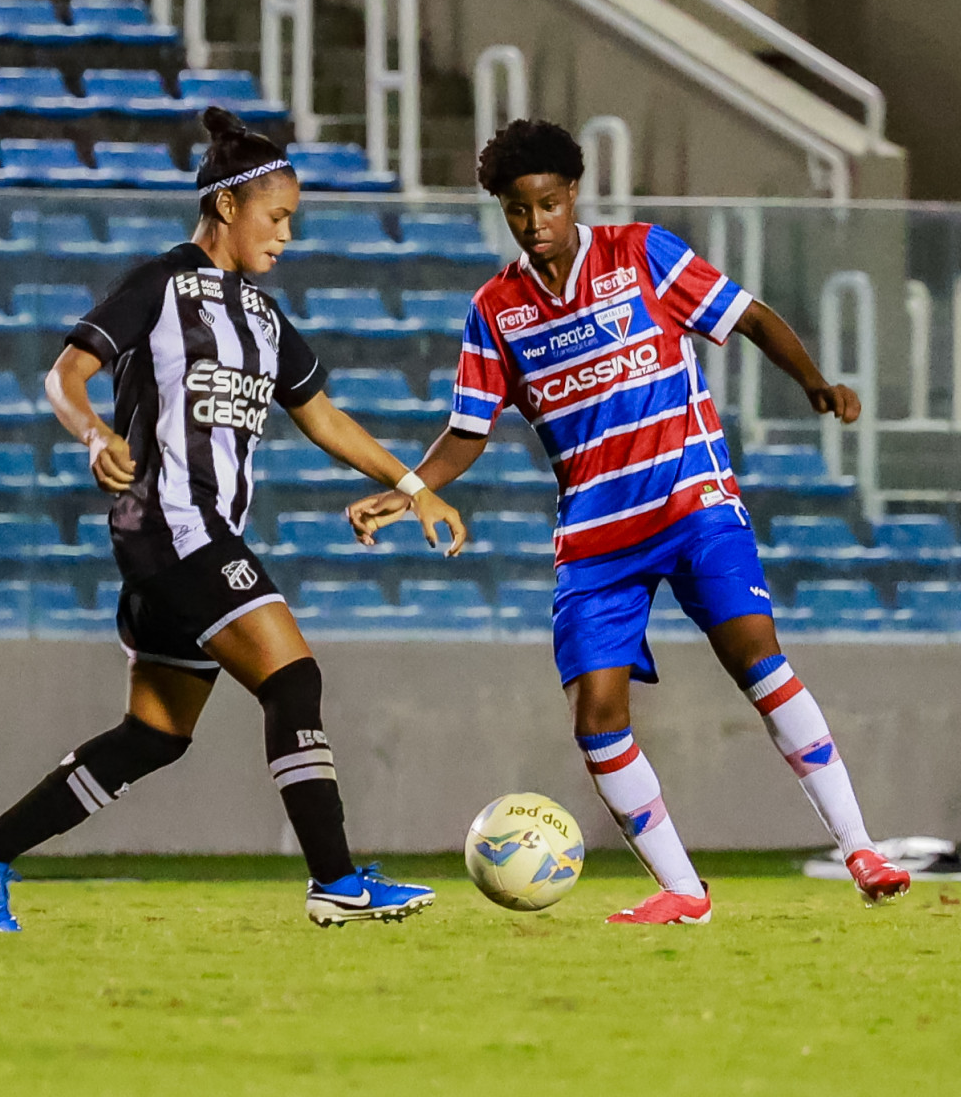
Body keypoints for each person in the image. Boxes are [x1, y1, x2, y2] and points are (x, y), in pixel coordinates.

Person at [345, 119, 911, 923]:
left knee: (757, 658)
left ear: (573, 193)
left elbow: (749, 315)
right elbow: (468, 429)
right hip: (596, 537)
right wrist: (409, 488)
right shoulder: (496, 309)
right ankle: (683, 890)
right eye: (517, 209)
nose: (535, 222)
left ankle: (860, 849)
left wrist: (813, 382)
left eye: (547, 203)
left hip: (692, 501)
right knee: (597, 718)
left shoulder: (642, 253)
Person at [0, 108, 467, 931]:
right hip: (171, 525)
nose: (287, 235)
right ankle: (335, 880)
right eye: (277, 216)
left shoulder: (263, 318)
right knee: (293, 678)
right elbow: (65, 374)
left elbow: (323, 417)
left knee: (156, 733)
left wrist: (412, 485)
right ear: (227, 205)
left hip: (191, 537)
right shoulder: (160, 285)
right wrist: (94, 433)